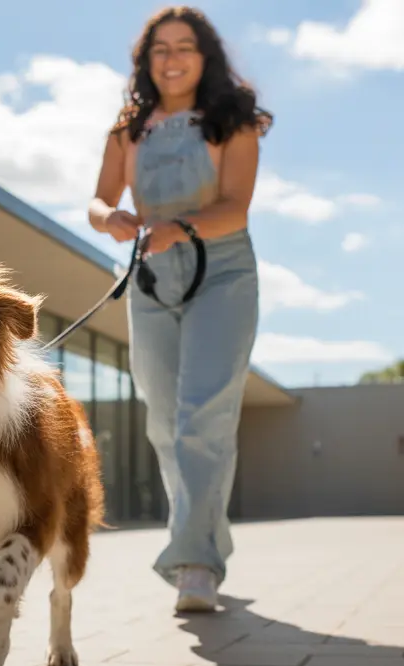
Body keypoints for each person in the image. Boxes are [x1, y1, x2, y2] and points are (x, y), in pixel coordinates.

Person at [88, 6, 271, 613]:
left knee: (203, 416)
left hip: (220, 272)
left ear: (205, 55)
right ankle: (205, 540)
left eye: (184, 47)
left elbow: (236, 208)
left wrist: (180, 227)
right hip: (149, 278)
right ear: (146, 61)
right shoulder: (127, 131)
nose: (172, 58)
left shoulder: (232, 121)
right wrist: (109, 217)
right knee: (165, 422)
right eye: (160, 49)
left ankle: (194, 562)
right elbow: (97, 199)